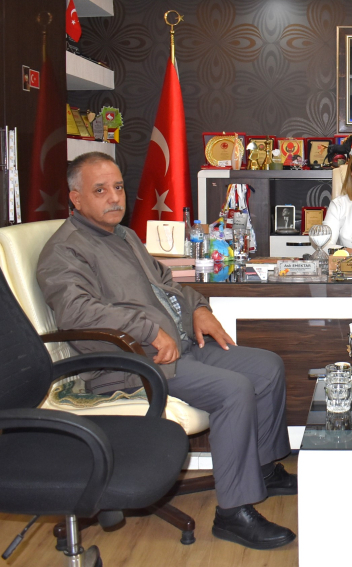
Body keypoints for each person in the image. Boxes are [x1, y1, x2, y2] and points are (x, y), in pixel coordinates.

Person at [37, 152, 297, 551]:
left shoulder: (124, 236)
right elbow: (78, 313)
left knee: (267, 366)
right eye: (100, 190)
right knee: (234, 390)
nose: (114, 197)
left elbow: (167, 281)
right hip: (133, 362)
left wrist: (199, 308)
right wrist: (149, 330)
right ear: (75, 198)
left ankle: (263, 468)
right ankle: (233, 512)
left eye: (118, 187)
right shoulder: (65, 251)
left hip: (180, 346)